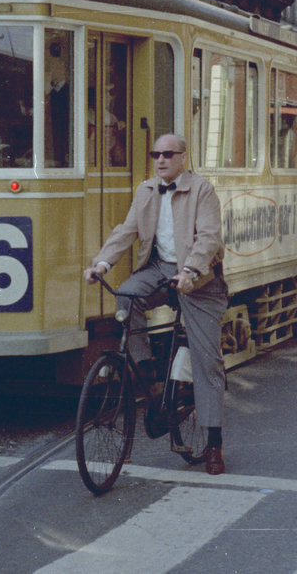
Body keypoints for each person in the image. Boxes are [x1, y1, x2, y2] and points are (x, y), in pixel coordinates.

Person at [83, 134, 230, 475]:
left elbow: (209, 238)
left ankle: (214, 445)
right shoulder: (147, 190)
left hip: (200, 279)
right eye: (155, 154)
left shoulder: (202, 190)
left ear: (182, 157)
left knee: (207, 363)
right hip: (159, 270)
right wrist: (102, 263)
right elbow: (127, 230)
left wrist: (192, 271)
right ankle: (146, 366)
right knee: (126, 294)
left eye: (168, 154)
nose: (161, 160)